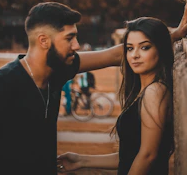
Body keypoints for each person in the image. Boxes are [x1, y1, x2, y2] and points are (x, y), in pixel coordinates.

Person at [0, 0, 187, 175]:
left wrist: (172, 35)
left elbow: (115, 54)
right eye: (69, 38)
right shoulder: (2, 83)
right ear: (44, 41)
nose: (77, 45)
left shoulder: (58, 70)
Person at [57, 17, 175, 175]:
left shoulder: (155, 91)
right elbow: (129, 156)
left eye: (145, 47)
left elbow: (148, 156)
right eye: (129, 48)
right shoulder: (143, 91)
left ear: (160, 49)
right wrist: (81, 161)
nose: (135, 55)